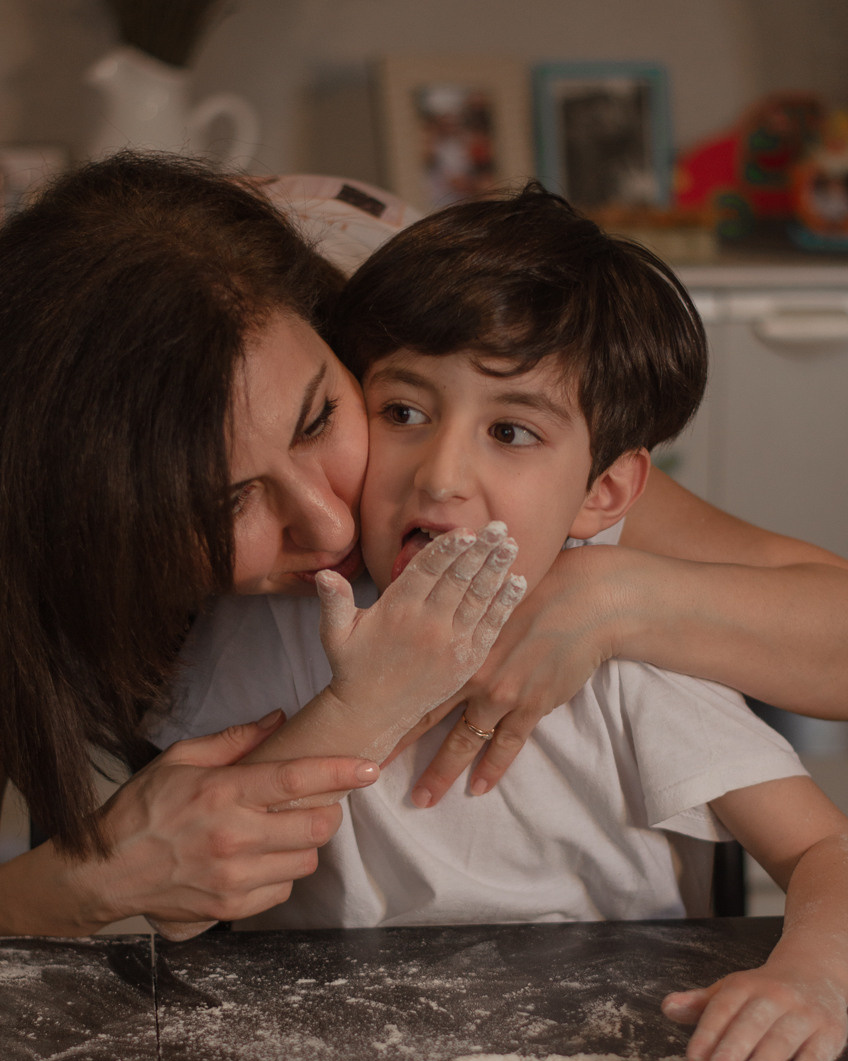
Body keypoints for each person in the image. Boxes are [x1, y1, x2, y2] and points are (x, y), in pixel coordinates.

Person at [1, 152, 847, 938]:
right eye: (225, 501)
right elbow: (195, 896)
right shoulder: (222, 642)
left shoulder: (444, 352)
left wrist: (610, 598)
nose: (331, 526)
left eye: (321, 417)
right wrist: (79, 886)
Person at [152, 185, 848, 1061]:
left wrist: (817, 974)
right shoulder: (264, 621)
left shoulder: (624, 647)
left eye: (511, 431)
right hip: (324, 1059)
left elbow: (821, 852)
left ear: (604, 493)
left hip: (608, 1056)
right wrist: (370, 698)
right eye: (404, 412)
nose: (442, 475)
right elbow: (181, 896)